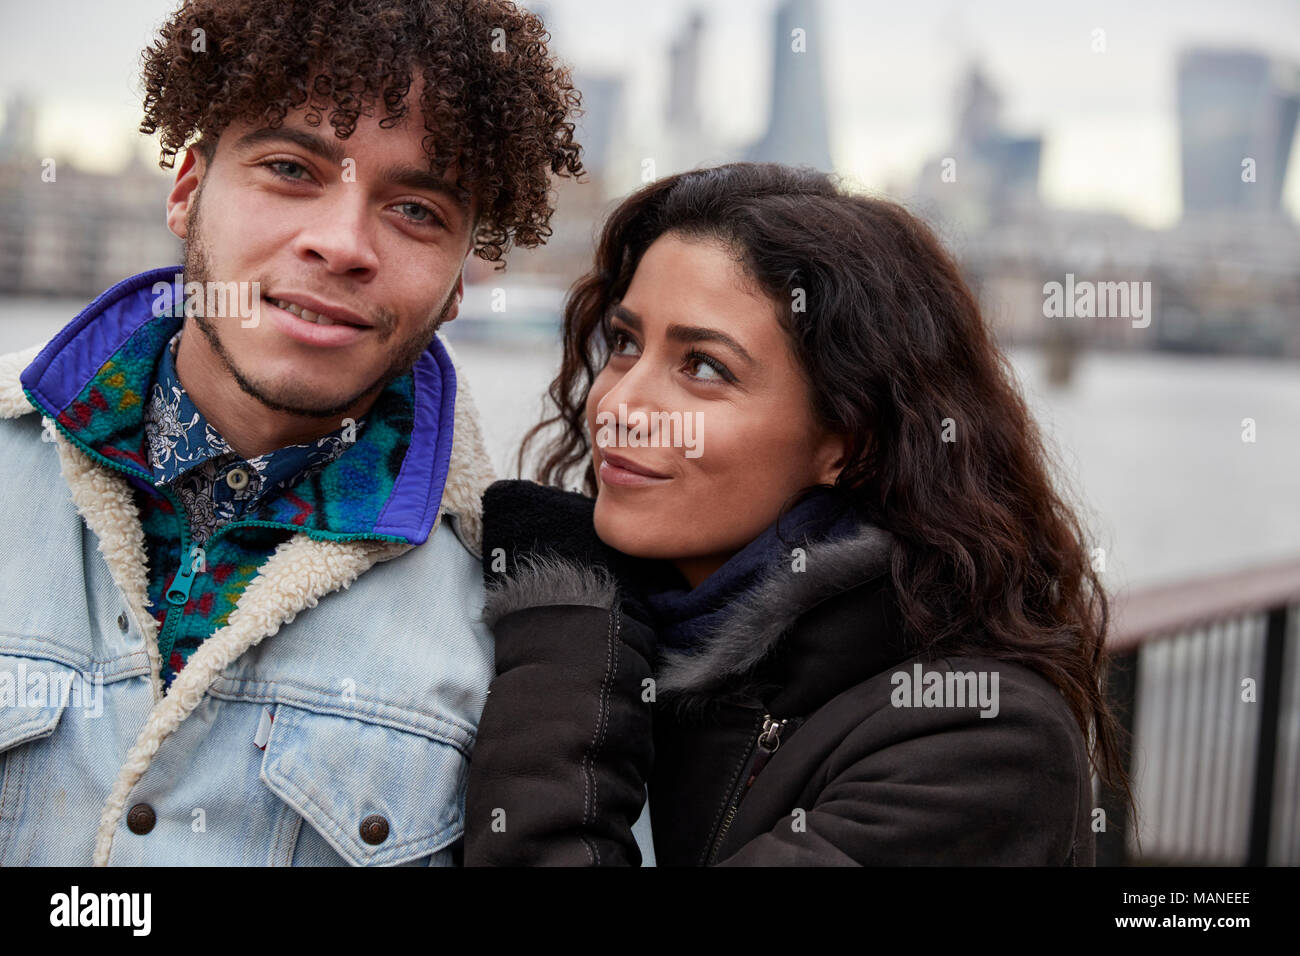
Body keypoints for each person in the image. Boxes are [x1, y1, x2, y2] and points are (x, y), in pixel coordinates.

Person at [0, 0, 583, 866]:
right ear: (188, 190)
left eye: (417, 211)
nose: (342, 243)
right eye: (291, 168)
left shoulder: (530, 616)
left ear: (461, 282)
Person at [464, 162, 1136, 866]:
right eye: (625, 343)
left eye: (704, 368)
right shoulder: (640, 630)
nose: (620, 406)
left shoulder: (984, 745)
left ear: (850, 442)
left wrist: (566, 630)